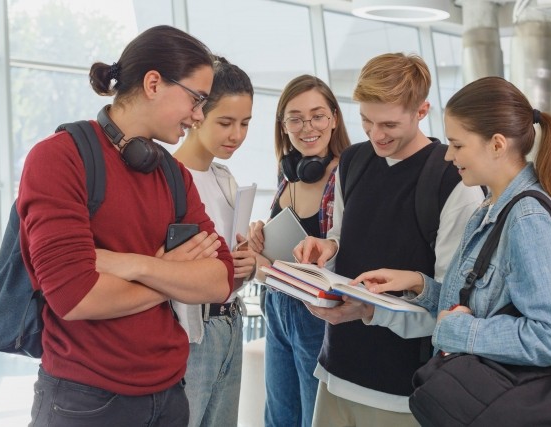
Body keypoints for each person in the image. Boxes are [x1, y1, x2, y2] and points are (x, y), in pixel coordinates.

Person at [18, 25, 234, 426]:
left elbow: (220, 279)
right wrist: (174, 271)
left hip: (171, 393)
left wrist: (138, 264)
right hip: (85, 400)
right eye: (197, 98)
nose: (199, 115)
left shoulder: (174, 174)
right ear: (154, 83)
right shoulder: (59, 159)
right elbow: (76, 298)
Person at [294, 53, 484, 427]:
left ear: (422, 110)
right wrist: (328, 249)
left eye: (389, 124)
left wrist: (370, 311)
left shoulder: (454, 181)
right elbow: (344, 238)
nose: (376, 134)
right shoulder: (353, 160)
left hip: (403, 391)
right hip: (335, 371)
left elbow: (452, 300)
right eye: (366, 120)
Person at [357, 76, 551, 376]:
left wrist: (459, 331)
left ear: (496, 145)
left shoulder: (527, 220)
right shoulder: (492, 207)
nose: (448, 154)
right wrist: (417, 283)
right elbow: (475, 303)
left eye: (457, 144)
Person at [246, 75, 352, 427]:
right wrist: (261, 232)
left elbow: (347, 249)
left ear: (334, 118)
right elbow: (285, 237)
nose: (307, 127)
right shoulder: (287, 173)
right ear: (283, 126)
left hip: (315, 311)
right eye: (295, 118)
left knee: (313, 415)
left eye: (318, 115)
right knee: (279, 414)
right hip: (276, 302)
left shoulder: (347, 175)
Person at [171, 56, 257, 427]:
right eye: (225, 122)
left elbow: (233, 267)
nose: (236, 135)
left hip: (230, 324)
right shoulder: (168, 176)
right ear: (197, 113)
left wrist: (250, 263)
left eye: (245, 124)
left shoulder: (226, 180)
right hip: (190, 333)